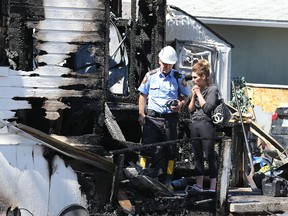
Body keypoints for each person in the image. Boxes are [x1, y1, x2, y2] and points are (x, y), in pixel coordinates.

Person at [137, 46, 191, 188]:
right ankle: (142, 173)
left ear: (173, 64)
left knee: (171, 149)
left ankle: (168, 178)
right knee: (146, 147)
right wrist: (141, 114)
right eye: (163, 63)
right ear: (159, 60)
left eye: (169, 64)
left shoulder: (179, 77)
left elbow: (186, 95)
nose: (165, 66)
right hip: (153, 118)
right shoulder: (150, 76)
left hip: (170, 119)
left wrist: (180, 105)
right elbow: (142, 95)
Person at [188, 59, 219, 192]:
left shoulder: (212, 90)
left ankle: (213, 186)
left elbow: (207, 108)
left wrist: (200, 94)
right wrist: (194, 96)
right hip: (195, 123)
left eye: (195, 77)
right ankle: (199, 184)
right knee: (198, 156)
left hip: (206, 124)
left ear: (203, 77)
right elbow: (190, 109)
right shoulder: (195, 90)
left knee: (210, 155)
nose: (193, 80)